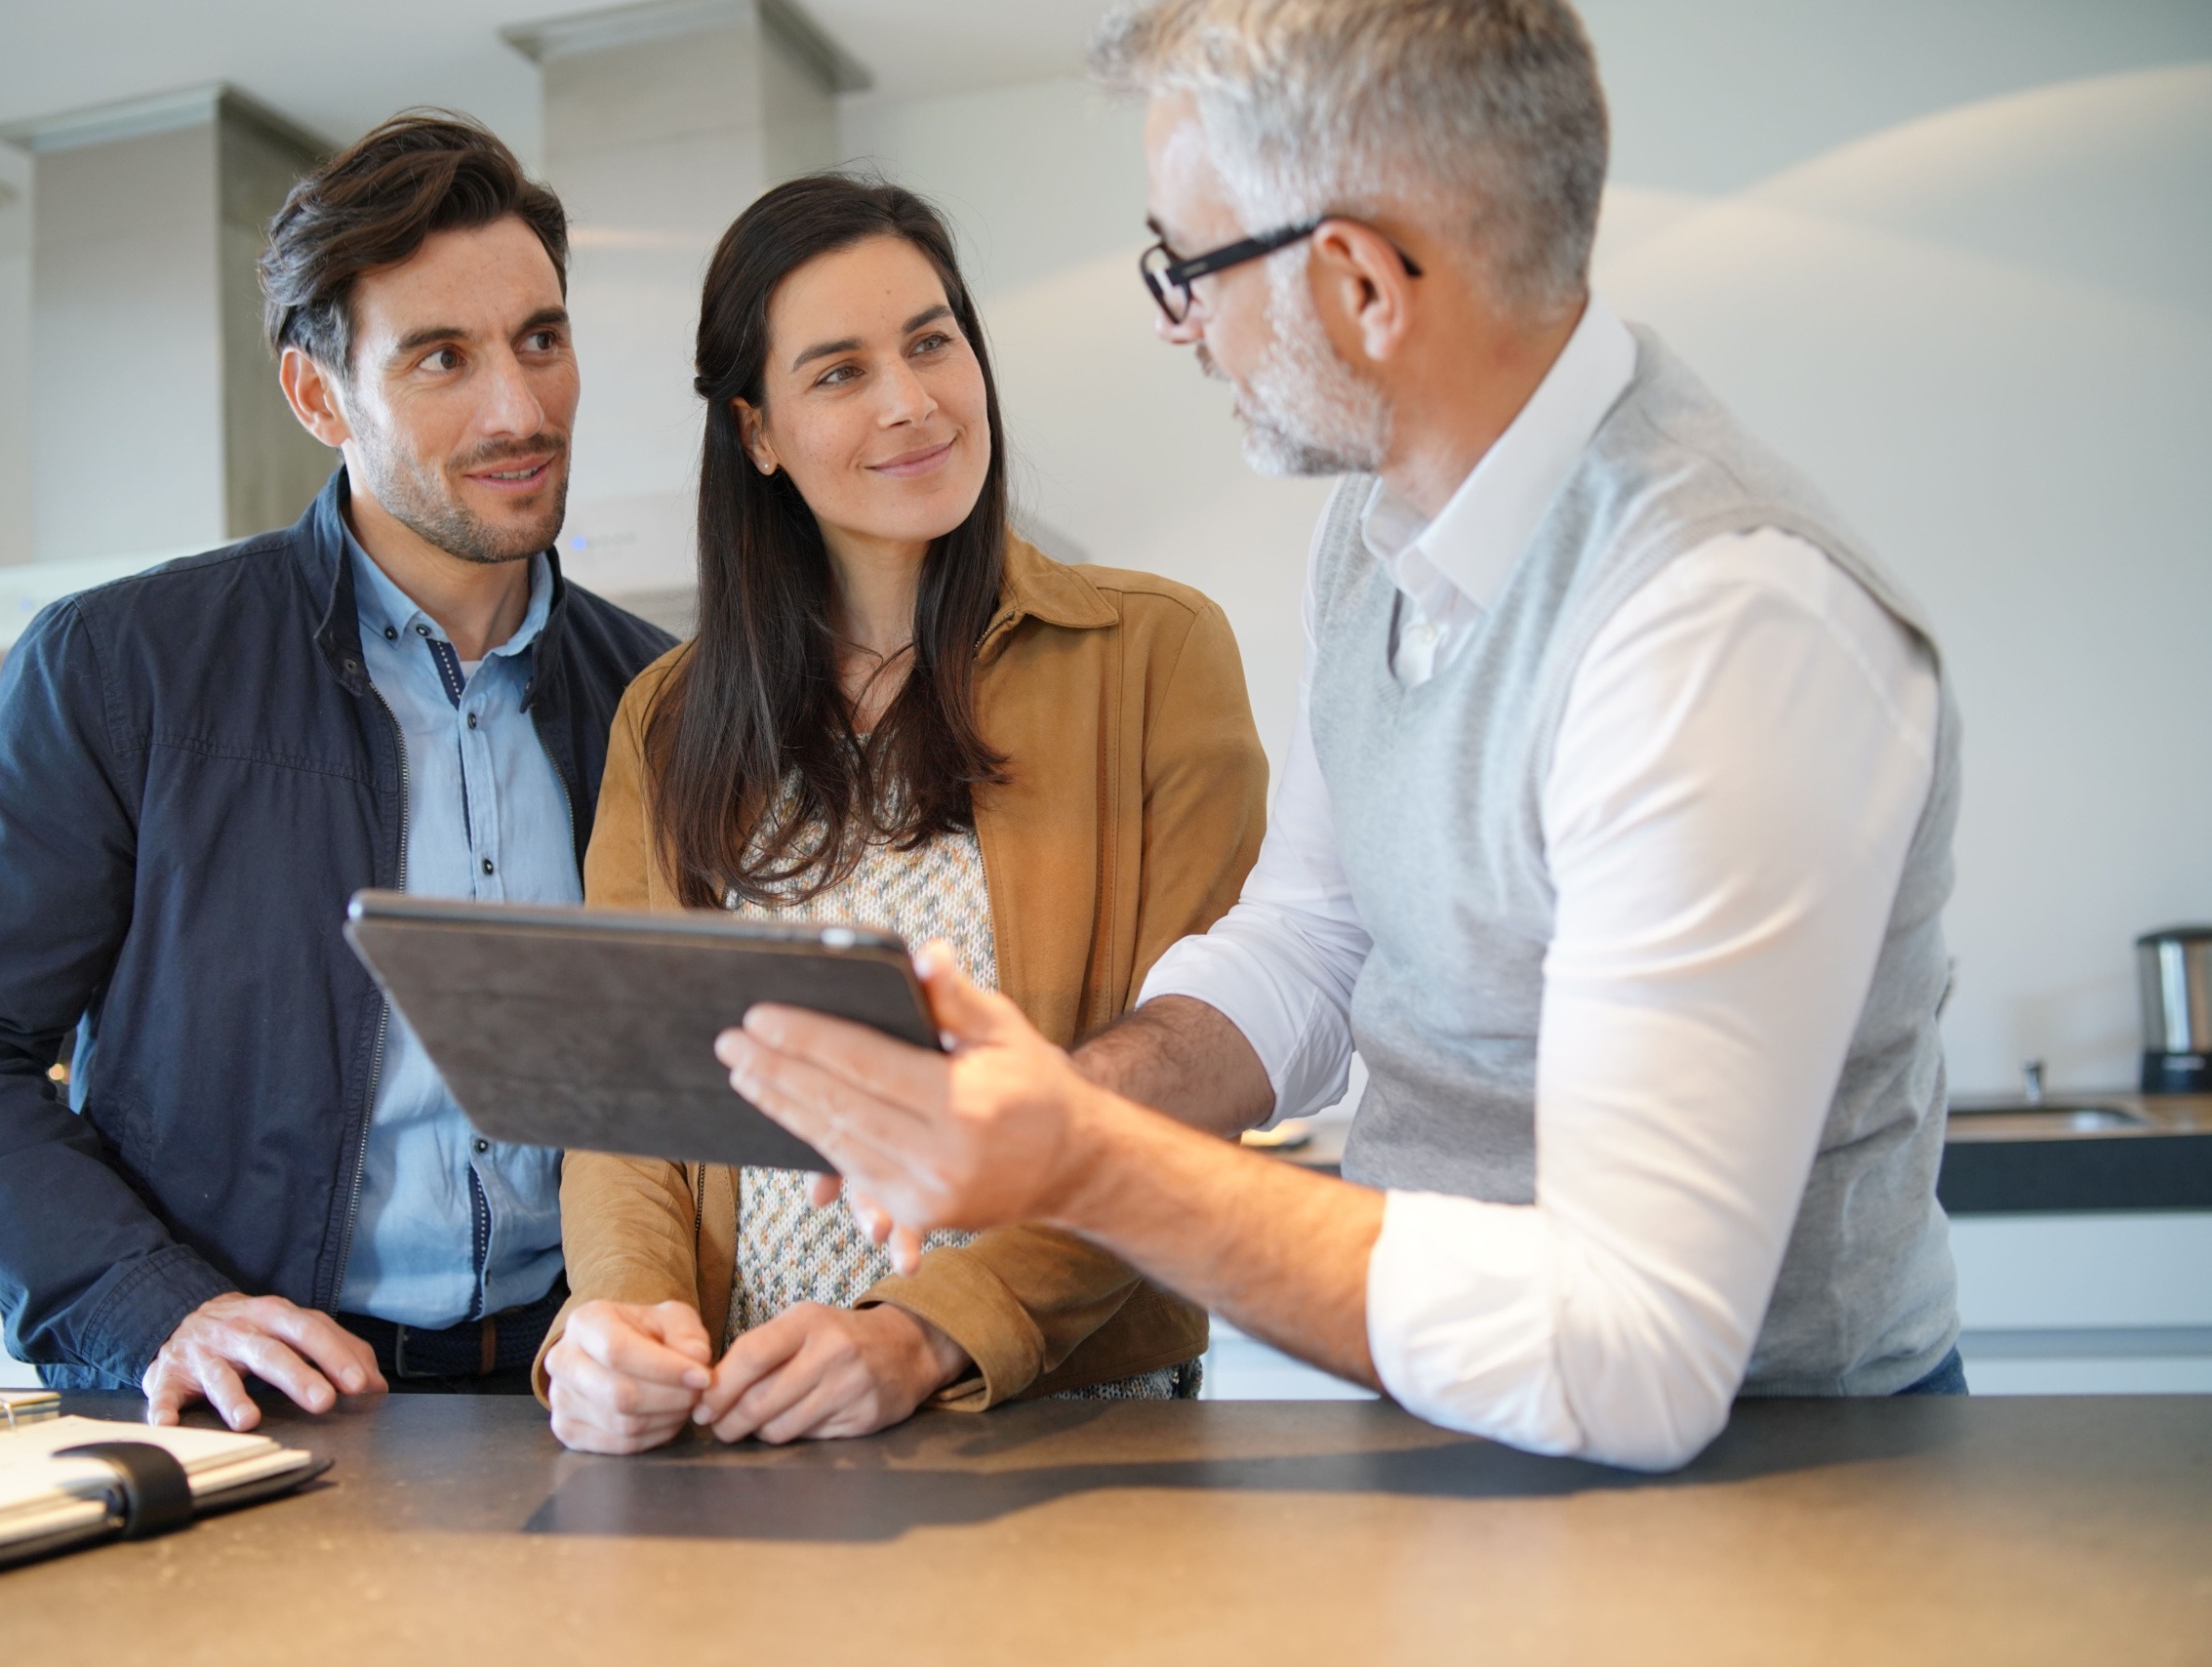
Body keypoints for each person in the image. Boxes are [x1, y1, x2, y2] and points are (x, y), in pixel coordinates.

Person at [711, 0, 1968, 1473]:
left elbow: (1634, 1352)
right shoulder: (1375, 540)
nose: (1178, 323)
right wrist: (1065, 1094)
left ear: (1361, 283)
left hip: (1776, 1486)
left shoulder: (1718, 621)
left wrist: (1088, 1161)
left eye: (1187, 266)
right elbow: (1311, 936)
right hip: (1450, 1429)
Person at [0, 115, 673, 1427]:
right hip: (245, 1409)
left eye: (541, 338)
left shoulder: (661, 700)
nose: (519, 410)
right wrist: (153, 1305)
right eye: (441, 359)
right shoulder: (122, 667)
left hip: (569, 1404)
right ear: (318, 395)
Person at [536, 175, 1267, 1453]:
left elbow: (1182, 1088)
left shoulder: (1153, 654)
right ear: (756, 432)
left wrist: (923, 1332)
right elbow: (623, 1100)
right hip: (743, 1426)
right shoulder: (667, 717)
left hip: (1066, 1431)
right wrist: (621, 1324)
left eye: (932, 342)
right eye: (839, 372)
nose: (911, 400)